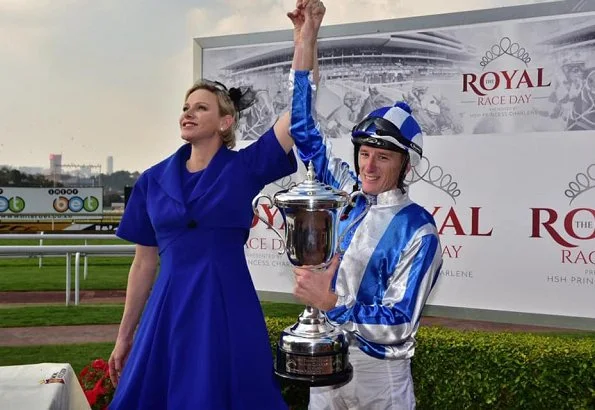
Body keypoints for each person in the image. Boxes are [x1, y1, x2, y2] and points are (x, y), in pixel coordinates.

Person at [107, 1, 326, 408]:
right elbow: (143, 264)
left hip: (226, 305)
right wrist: (125, 335)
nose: (188, 112)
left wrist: (305, 37)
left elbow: (298, 113)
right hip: (167, 310)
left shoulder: (244, 168)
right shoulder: (153, 180)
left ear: (225, 122)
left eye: (201, 107)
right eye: (185, 107)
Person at [289, 48, 443, 409]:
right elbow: (303, 131)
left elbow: (400, 324)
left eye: (383, 157)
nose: (369, 166)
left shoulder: (419, 229)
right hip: (327, 361)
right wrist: (305, 36)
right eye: (364, 153)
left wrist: (333, 303)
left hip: (380, 375)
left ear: (406, 167)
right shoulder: (344, 194)